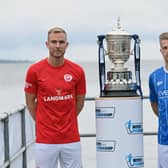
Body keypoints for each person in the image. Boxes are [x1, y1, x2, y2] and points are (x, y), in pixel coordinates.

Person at [24, 27, 86, 168]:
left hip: (71, 138)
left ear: (66, 45)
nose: (57, 46)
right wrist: (43, 121)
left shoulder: (77, 71)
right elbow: (30, 102)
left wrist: (67, 120)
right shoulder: (34, 71)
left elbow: (80, 102)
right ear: (47, 44)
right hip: (45, 140)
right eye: (54, 42)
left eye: (61, 42)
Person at [149, 32, 168, 168]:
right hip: (164, 139)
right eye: (165, 48)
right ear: (161, 51)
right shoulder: (155, 77)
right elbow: (154, 104)